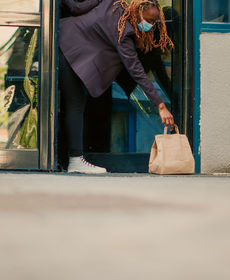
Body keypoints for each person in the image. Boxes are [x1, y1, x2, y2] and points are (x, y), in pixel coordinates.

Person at [59, 0, 175, 174]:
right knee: (75, 106)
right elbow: (136, 70)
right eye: (148, 20)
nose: (150, 26)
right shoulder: (124, 32)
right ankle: (75, 160)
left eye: (154, 22)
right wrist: (161, 105)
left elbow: (77, 8)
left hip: (59, 37)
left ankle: (66, 158)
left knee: (70, 105)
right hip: (69, 54)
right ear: (136, 13)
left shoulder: (113, 4)